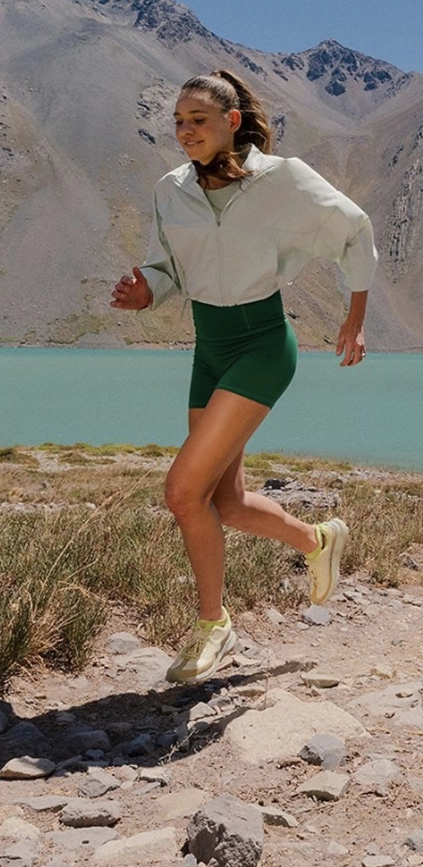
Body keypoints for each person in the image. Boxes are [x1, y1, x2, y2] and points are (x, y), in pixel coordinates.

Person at [111, 69, 377, 686]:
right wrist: (147, 291)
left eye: (198, 120)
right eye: (179, 122)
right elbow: (168, 267)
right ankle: (317, 541)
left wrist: (355, 317)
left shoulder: (282, 179)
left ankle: (214, 624)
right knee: (222, 502)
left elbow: (354, 228)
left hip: (261, 344)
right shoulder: (170, 189)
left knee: (183, 492)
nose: (186, 132)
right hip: (209, 347)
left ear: (231, 122)